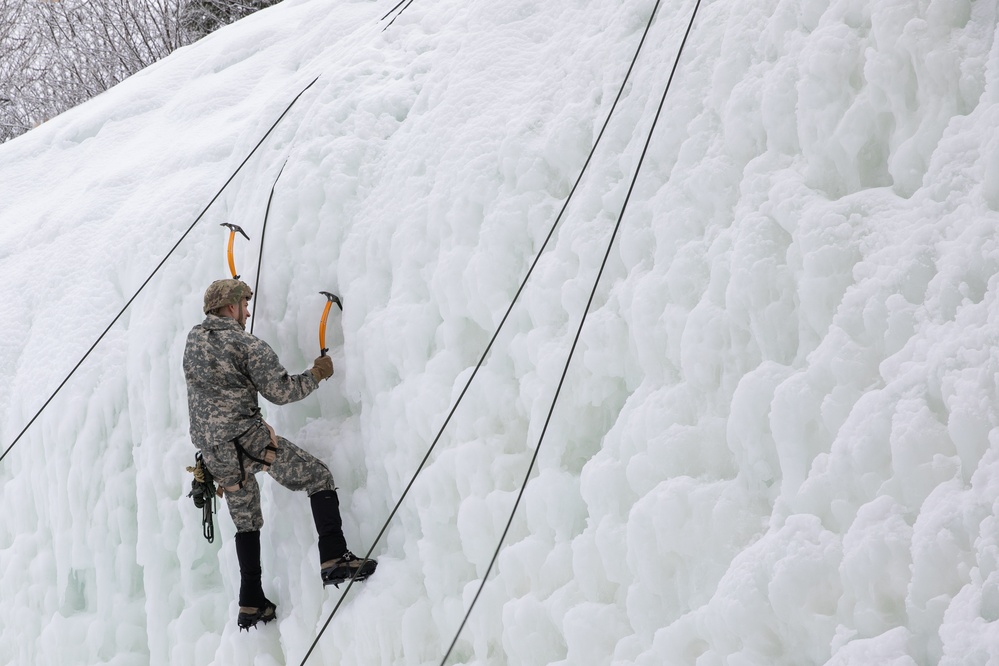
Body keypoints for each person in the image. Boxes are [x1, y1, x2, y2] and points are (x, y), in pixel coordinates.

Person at [183, 278, 376, 630]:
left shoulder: (193, 341)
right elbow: (282, 392)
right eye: (243, 304)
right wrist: (317, 373)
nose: (248, 311)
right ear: (230, 307)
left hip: (216, 458)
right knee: (318, 477)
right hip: (250, 443)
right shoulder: (246, 344)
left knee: (246, 523)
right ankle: (334, 557)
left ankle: (251, 602)